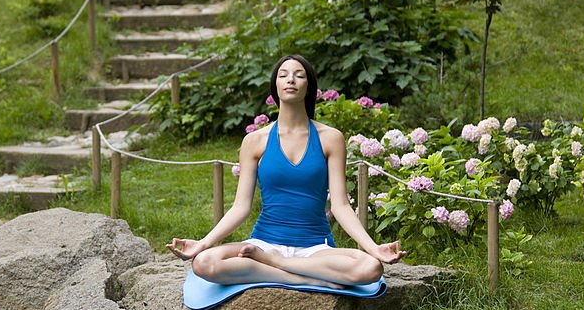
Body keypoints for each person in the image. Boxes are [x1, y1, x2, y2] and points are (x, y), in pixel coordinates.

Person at [167, 54, 405, 288]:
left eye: (299, 75)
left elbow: (340, 205)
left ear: (308, 87)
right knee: (204, 262)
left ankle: (276, 264)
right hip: (264, 243)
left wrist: (373, 247)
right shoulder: (255, 141)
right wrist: (203, 243)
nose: (291, 79)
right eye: (284, 75)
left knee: (370, 268)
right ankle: (297, 278)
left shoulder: (331, 138)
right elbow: (241, 207)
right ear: (276, 86)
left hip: (315, 249)